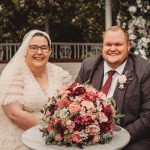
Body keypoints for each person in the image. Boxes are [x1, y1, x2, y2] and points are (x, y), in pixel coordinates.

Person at [75, 26, 150, 150]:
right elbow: (74, 101)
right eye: (108, 44)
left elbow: (148, 115)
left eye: (118, 44)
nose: (113, 49)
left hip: (132, 139)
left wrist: (119, 138)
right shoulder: (88, 66)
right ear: (102, 47)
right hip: (90, 138)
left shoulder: (144, 70)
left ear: (128, 46)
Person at [0, 30, 72, 150]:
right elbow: (14, 113)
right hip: (20, 138)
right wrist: (50, 131)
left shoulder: (59, 73)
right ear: (25, 50)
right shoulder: (13, 73)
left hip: (56, 139)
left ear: (50, 51)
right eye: (33, 48)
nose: (39, 52)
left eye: (44, 48)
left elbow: (71, 103)